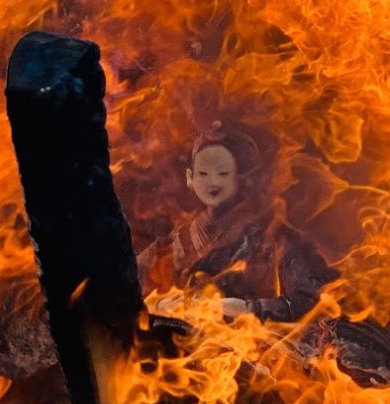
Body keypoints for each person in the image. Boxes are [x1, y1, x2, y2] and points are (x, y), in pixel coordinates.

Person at [138, 121, 334, 323]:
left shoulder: (270, 235)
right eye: (203, 174)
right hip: (187, 344)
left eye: (223, 174)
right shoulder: (178, 240)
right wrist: (158, 304)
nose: (213, 182)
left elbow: (309, 299)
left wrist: (251, 309)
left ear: (239, 179)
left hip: (254, 346)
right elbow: (129, 286)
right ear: (190, 178)